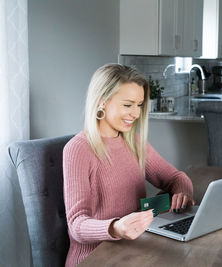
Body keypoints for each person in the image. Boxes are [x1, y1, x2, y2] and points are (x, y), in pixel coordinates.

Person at [63, 63, 195, 267]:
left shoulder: (134, 141)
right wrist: (115, 227)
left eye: (139, 104)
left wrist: (182, 192)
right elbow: (76, 225)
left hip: (135, 250)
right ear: (102, 102)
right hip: (95, 258)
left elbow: (176, 178)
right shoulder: (78, 150)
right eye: (128, 104)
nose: (135, 113)